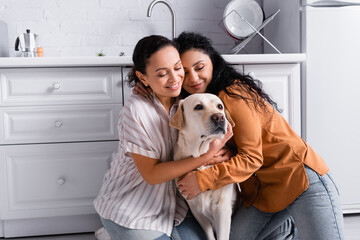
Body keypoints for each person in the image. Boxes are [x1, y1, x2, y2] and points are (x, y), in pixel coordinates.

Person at [174, 32, 345, 240]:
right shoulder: (199, 105)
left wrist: (202, 180)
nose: (193, 78)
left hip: (301, 181)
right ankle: (290, 229)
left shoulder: (234, 94)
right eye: (184, 72)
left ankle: (297, 224)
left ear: (213, 61)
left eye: (200, 67)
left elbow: (252, 158)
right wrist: (143, 84)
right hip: (265, 194)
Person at [93, 35, 233, 240]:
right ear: (142, 78)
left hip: (173, 208)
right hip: (131, 211)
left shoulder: (186, 101)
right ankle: (110, 233)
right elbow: (152, 174)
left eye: (178, 68)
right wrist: (206, 157)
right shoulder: (135, 111)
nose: (175, 79)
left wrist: (226, 150)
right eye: (162, 74)